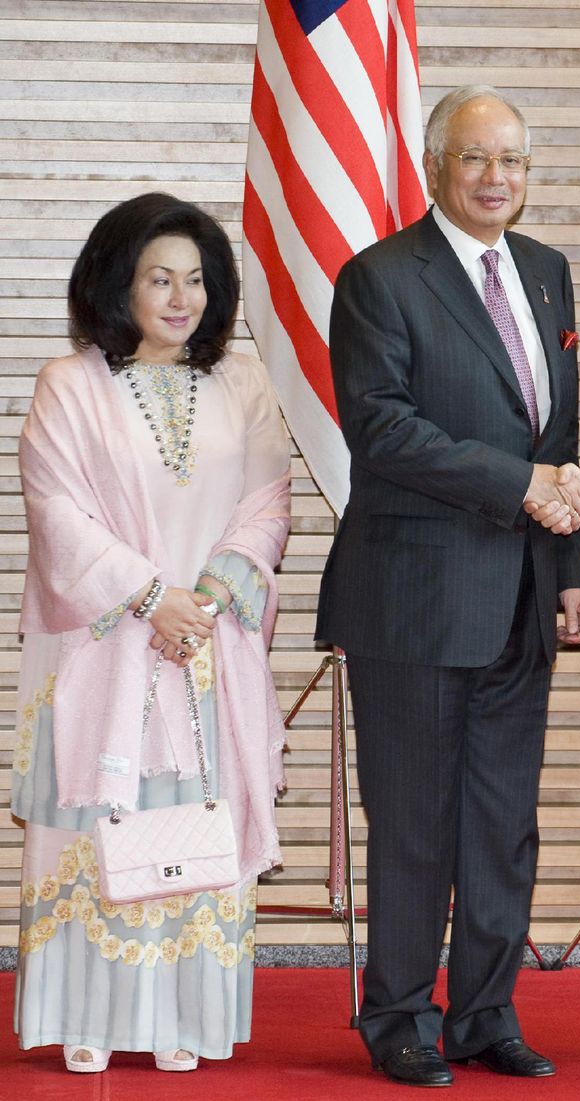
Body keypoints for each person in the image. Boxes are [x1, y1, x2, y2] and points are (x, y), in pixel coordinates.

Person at [316, 86, 580, 1087]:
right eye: (475, 159)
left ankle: (482, 1013)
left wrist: (567, 568)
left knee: (498, 823)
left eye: (513, 161)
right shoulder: (379, 277)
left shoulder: (548, 275)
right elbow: (382, 430)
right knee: (413, 823)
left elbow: (552, 444)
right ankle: (395, 1015)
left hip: (522, 598)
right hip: (412, 600)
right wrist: (523, 487)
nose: (496, 179)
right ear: (435, 167)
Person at [12, 192, 290, 1073]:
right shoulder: (69, 383)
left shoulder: (243, 382)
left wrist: (205, 596)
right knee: (99, 824)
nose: (181, 298)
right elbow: (57, 515)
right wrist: (146, 596)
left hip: (207, 645)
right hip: (103, 652)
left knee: (191, 832)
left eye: (196, 280)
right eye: (159, 278)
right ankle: (87, 1015)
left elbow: (267, 503)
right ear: (115, 284)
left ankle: (183, 1020)